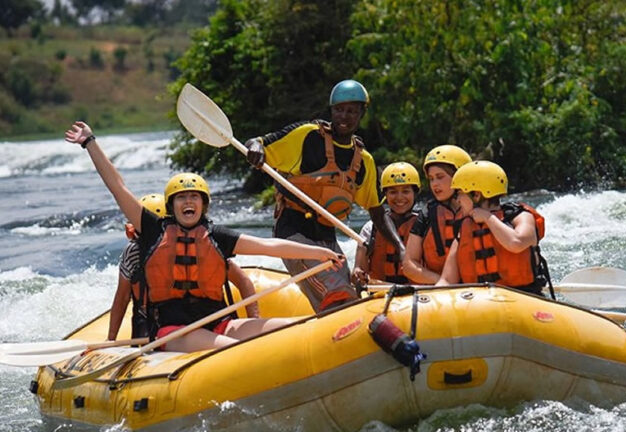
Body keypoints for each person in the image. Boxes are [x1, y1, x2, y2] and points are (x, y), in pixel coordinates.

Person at [66, 121, 344, 353]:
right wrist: (90, 142)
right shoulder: (154, 231)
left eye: (194, 197)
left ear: (204, 204)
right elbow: (118, 187)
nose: (188, 202)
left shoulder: (216, 236)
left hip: (220, 322)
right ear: (172, 206)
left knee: (293, 329)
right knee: (230, 349)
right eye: (182, 198)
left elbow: (268, 246)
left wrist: (321, 254)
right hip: (174, 331)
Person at [243, 79, 405, 311]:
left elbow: (378, 213)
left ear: (362, 113)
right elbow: (258, 143)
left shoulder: (363, 161)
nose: (344, 117)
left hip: (327, 238)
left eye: (352, 111)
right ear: (331, 111)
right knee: (337, 295)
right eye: (339, 110)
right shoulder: (308, 137)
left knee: (349, 295)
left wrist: (400, 247)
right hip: (293, 233)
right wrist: (256, 148)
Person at [435, 160, 553, 296]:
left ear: (476, 195)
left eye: (459, 193)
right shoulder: (464, 229)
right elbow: (447, 280)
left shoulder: (520, 217)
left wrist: (488, 218)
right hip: (479, 300)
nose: (457, 200)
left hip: (523, 296)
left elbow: (516, 243)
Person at [402, 145, 472, 284]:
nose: (435, 184)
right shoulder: (427, 214)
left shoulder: (481, 211)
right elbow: (409, 265)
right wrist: (443, 282)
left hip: (479, 290)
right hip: (441, 289)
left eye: (440, 177)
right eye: (431, 178)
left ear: (460, 176)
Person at [106, 193, 166, 341]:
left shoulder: (183, 244)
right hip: (147, 323)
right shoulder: (133, 251)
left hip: (177, 318)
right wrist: (111, 338)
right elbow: (122, 297)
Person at [353, 162, 421, 286]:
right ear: (385, 195)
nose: (399, 197)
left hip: (417, 292)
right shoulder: (370, 228)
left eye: (406, 191)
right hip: (380, 292)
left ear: (415, 194)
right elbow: (358, 268)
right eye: (393, 192)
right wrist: (358, 274)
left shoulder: (424, 225)